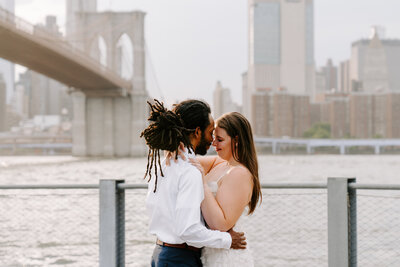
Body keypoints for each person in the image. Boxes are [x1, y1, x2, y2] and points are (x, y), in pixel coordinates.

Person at [141, 99, 247, 267]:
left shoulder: (164, 164)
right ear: (197, 132)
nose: (212, 140)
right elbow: (188, 230)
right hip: (180, 258)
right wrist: (227, 239)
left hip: (160, 254)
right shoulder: (190, 172)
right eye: (210, 132)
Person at [188, 112, 262, 266]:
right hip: (211, 252)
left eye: (220, 140)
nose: (213, 144)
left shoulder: (240, 173)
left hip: (228, 258)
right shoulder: (219, 162)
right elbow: (186, 162)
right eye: (214, 138)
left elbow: (220, 225)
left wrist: (201, 181)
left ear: (236, 140)